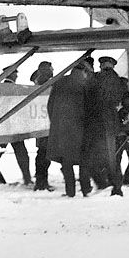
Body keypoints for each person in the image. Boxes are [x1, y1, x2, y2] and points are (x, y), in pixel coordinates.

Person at [84, 56, 129, 196]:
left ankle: (102, 183)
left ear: (101, 66)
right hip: (112, 123)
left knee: (93, 155)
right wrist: (120, 117)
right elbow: (128, 104)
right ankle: (116, 186)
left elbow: (87, 99)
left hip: (95, 123)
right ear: (112, 66)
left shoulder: (95, 79)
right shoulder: (120, 81)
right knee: (113, 156)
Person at [0, 68, 33, 188]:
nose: (16, 76)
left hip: (2, 129)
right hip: (13, 129)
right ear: (11, 74)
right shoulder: (14, 89)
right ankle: (27, 179)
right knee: (22, 155)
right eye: (15, 73)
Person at [47, 62, 92, 197]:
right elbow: (90, 108)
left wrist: (56, 123)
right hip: (81, 128)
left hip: (62, 129)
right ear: (83, 70)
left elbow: (50, 105)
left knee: (67, 161)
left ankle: (70, 191)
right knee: (84, 159)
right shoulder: (85, 84)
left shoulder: (59, 82)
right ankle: (85, 189)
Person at [30, 61, 55, 191]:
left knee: (43, 153)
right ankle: (41, 183)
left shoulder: (39, 81)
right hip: (45, 122)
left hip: (41, 121)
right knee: (44, 154)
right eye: (51, 68)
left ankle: (41, 181)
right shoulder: (46, 83)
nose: (53, 70)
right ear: (46, 70)